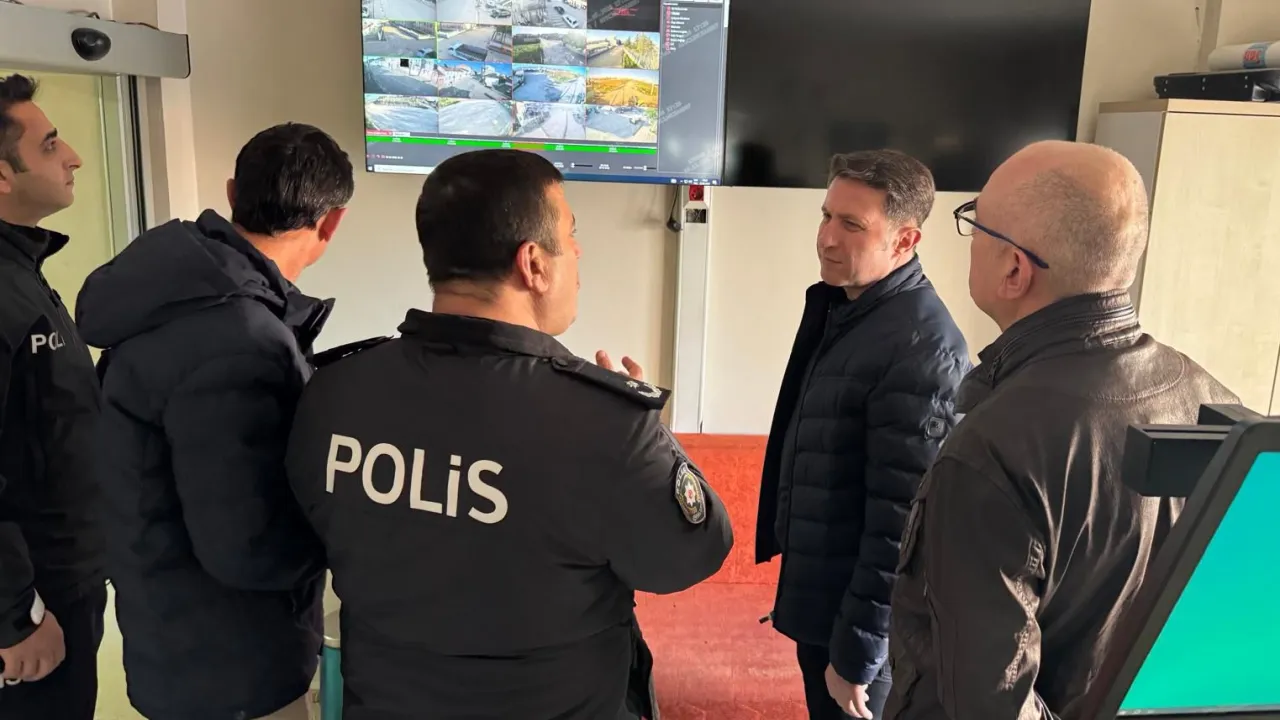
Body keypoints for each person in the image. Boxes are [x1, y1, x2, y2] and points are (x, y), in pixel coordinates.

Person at [285, 148, 733, 720]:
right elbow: (691, 555)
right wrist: (647, 431)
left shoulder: (334, 393)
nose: (578, 252)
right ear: (533, 264)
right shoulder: (604, 424)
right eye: (570, 236)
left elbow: (303, 538)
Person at [884, 140, 1238, 720]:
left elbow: (991, 703)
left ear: (1014, 269)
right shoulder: (1215, 400)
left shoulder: (990, 451)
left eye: (975, 223)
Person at [74, 123, 354, 720]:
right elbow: (248, 546)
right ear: (332, 223)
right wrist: (349, 538)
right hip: (233, 671)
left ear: (232, 193)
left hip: (170, 638)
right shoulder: (240, 342)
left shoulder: (169, 296)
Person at [756, 150, 970, 720]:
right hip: (825, 597)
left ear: (905, 240)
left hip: (862, 627)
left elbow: (902, 529)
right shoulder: (851, 311)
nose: (826, 238)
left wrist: (858, 654)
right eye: (826, 216)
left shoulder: (921, 349)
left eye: (851, 225)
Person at [0, 73, 106, 720]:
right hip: (32, 607)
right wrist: (14, 616)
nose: (73, 157)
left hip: (63, 581)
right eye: (49, 145)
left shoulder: (22, 275)